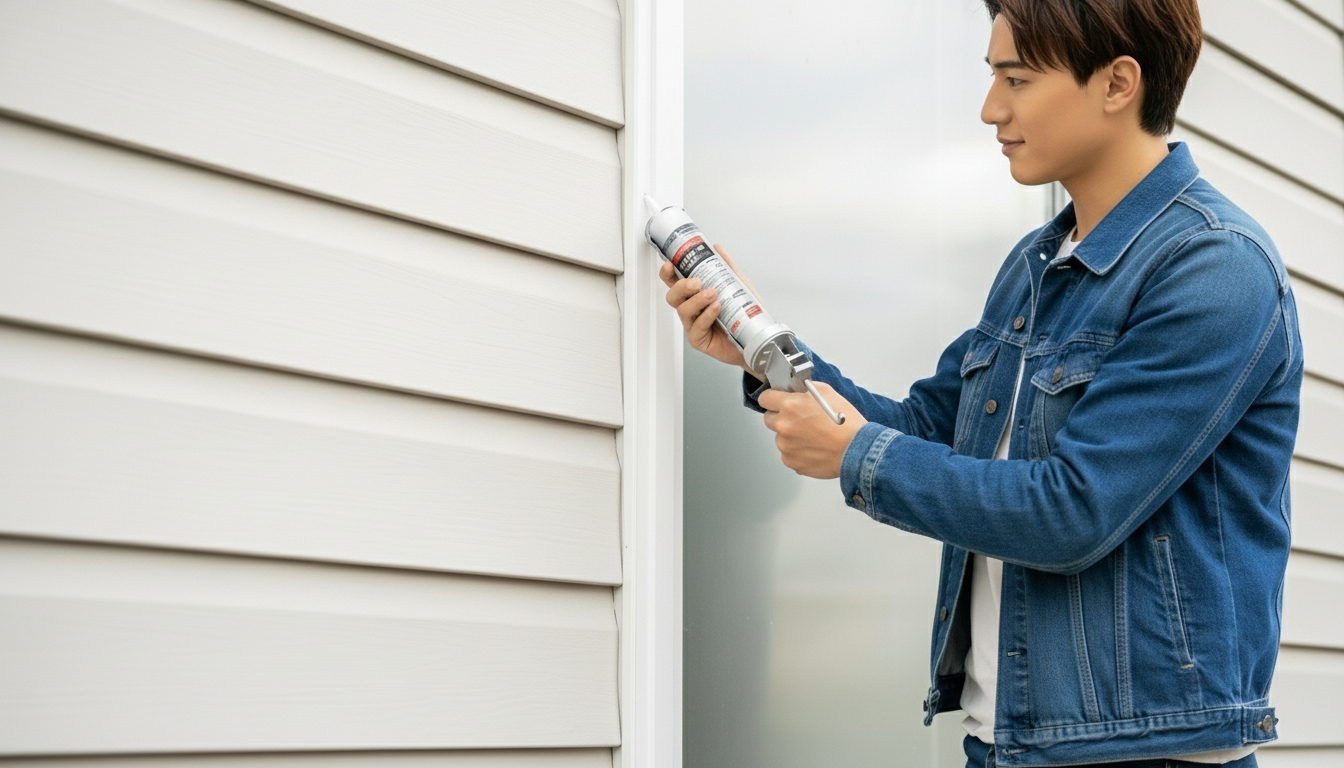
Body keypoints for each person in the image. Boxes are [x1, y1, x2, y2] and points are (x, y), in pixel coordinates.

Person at [661, 1, 1302, 766]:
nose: (991, 107)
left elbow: (1074, 510)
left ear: (1118, 83)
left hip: (1145, 753)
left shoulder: (1215, 269)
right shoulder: (1036, 265)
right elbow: (924, 428)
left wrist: (857, 456)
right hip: (1004, 743)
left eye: (1017, 79)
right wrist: (760, 349)